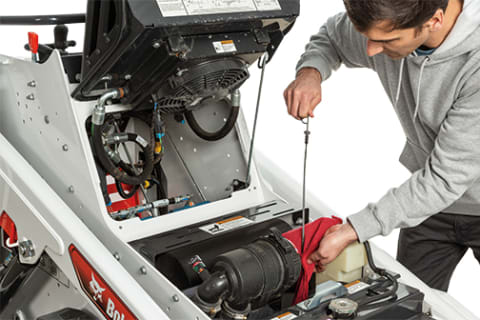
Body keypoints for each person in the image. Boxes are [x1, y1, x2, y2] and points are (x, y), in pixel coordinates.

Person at [284, 0, 480, 291]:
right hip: (429, 204)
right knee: (405, 303)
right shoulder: (390, 20)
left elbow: (445, 178)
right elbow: (333, 37)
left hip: (443, 184)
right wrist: (311, 72)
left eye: (386, 41)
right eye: (370, 39)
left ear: (435, 21)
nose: (372, 50)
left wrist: (354, 229)